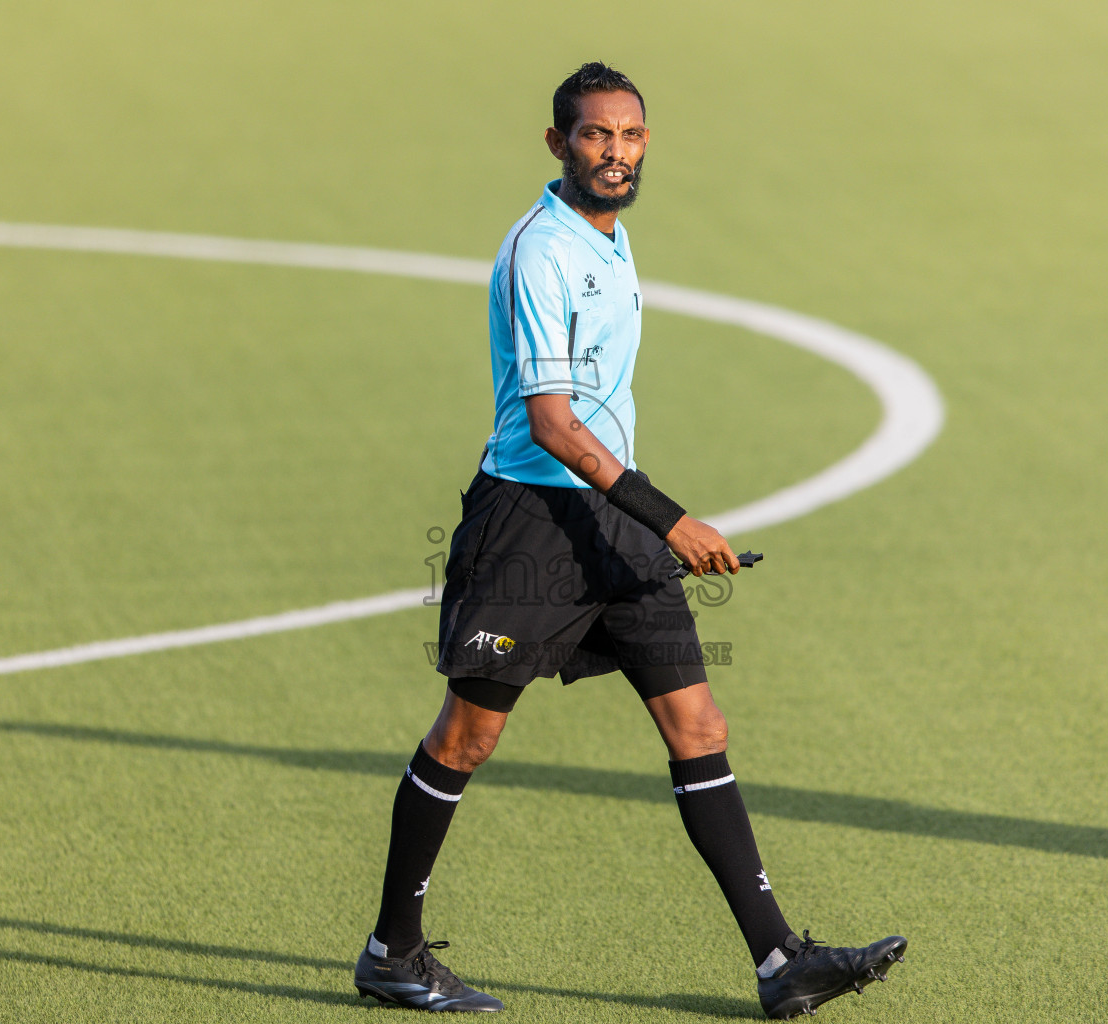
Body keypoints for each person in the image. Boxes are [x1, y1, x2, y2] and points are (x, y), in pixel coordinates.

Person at [354, 63, 907, 1019]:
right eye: (595, 136)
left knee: (700, 726)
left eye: (631, 137)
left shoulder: (610, 235)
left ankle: (781, 964)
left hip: (614, 528)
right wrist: (672, 520)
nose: (615, 154)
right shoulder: (541, 252)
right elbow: (557, 424)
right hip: (530, 524)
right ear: (557, 143)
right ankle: (391, 952)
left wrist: (644, 522)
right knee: (468, 736)